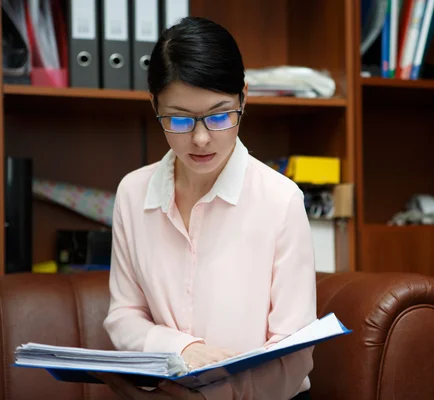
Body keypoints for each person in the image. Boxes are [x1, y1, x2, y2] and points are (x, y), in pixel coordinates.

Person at [95, 16, 317, 400]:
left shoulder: (281, 199)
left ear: (244, 98)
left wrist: (217, 396)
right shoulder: (133, 193)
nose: (200, 139)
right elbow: (123, 315)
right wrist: (179, 348)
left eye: (218, 116)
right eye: (179, 119)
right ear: (154, 106)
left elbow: (293, 349)